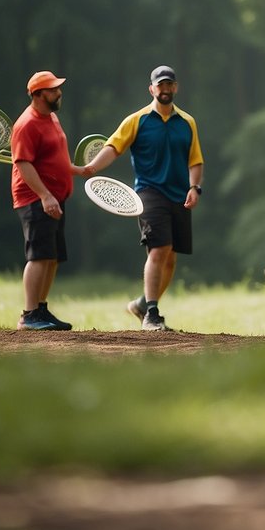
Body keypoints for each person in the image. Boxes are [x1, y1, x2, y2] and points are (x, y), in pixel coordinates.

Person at [83, 65, 204, 331]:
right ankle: (152, 314)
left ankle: (142, 304)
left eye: (169, 84)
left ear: (176, 87)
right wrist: (91, 168)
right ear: (152, 89)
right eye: (160, 85)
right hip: (148, 193)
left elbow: (195, 161)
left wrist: (194, 188)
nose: (165, 89)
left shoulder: (187, 122)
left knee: (171, 258)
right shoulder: (136, 120)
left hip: (179, 195)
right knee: (159, 250)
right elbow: (113, 148)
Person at [11, 70, 83, 331]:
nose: (58, 92)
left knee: (52, 257)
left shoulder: (51, 117)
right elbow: (23, 164)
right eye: (52, 89)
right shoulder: (26, 124)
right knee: (39, 256)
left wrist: (76, 170)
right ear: (38, 94)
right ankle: (29, 315)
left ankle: (41, 309)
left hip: (56, 197)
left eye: (58, 88)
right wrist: (44, 195)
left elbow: (56, 158)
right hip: (36, 199)